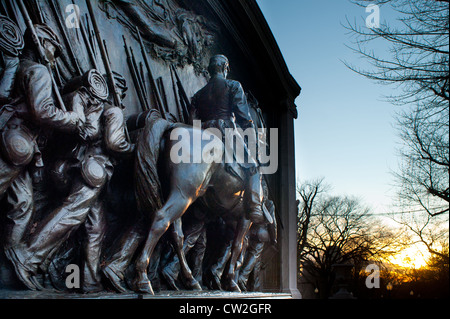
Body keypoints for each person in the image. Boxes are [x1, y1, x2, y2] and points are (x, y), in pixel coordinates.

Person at [5, 69, 134, 292]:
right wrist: (135, 149)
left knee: (95, 228)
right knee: (71, 214)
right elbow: (115, 144)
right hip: (92, 172)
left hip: (74, 169)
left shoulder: (92, 106)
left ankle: (89, 281)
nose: (121, 97)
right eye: (121, 92)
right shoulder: (112, 111)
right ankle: (28, 256)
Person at [1, 24, 82, 254]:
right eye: (52, 52)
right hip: (17, 141)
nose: (54, 60)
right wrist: (72, 119)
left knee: (22, 204)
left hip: (21, 145)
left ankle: (11, 267)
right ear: (41, 44)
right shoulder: (38, 71)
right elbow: (42, 111)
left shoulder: (21, 67)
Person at [190, 54, 264, 223]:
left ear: (210, 69)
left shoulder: (198, 95)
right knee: (253, 165)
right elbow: (244, 118)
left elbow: (192, 122)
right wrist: (253, 143)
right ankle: (254, 206)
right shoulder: (233, 85)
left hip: (202, 133)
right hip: (225, 131)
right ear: (225, 68)